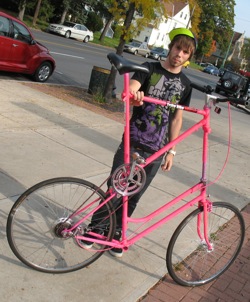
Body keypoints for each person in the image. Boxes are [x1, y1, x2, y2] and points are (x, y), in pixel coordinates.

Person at [83, 28, 197, 258]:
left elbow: (177, 117)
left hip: (158, 148)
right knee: (116, 188)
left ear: (188, 57)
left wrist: (172, 151)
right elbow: (131, 88)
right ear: (170, 47)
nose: (179, 55)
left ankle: (116, 234)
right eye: (177, 48)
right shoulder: (149, 68)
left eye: (185, 52)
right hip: (134, 140)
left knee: (135, 194)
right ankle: (96, 230)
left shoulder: (185, 85)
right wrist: (134, 95)